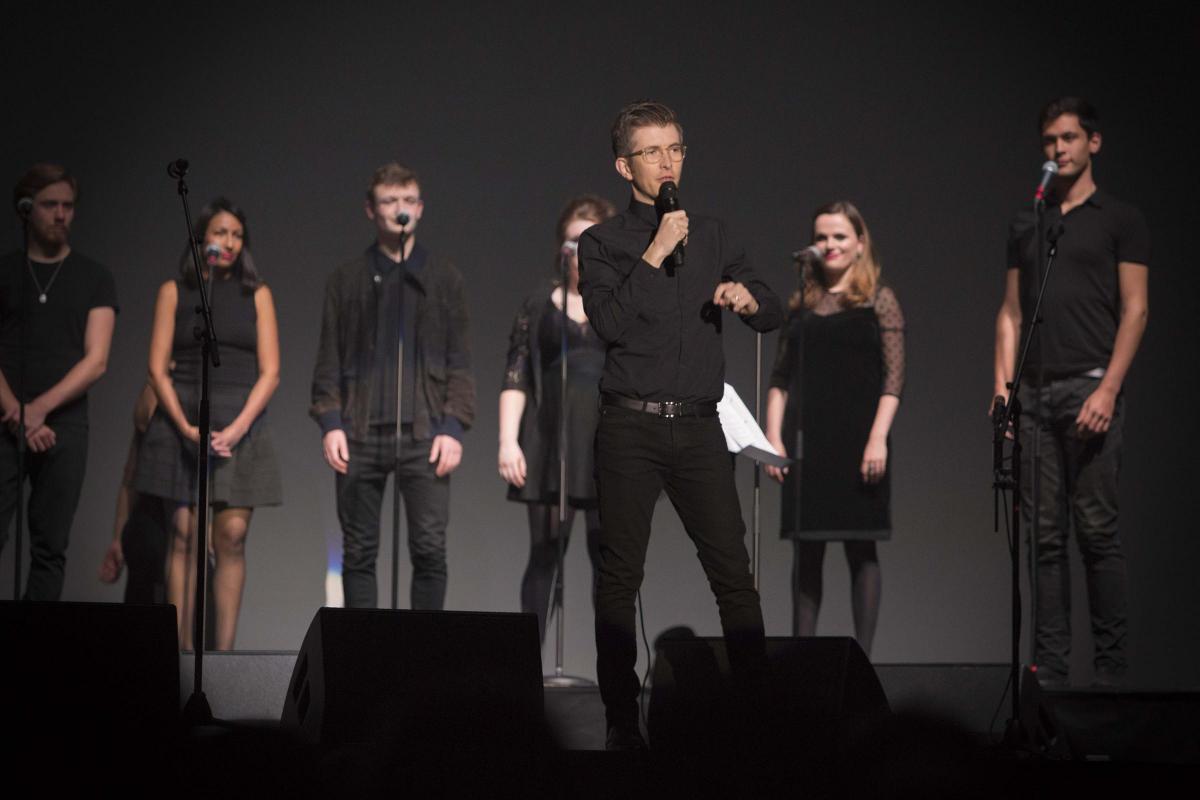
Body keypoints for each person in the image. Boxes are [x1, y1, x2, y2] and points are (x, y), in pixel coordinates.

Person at [578, 100, 782, 750]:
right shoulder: (603, 242)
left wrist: (751, 301)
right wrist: (655, 251)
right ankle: (618, 720)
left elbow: (771, 307)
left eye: (675, 149)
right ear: (623, 166)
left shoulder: (714, 235)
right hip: (630, 428)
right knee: (619, 575)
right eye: (651, 152)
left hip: (698, 429)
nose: (667, 162)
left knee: (732, 572)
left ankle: (757, 717)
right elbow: (607, 324)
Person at [993, 97, 1149, 687]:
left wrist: (1108, 389)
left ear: (1093, 143)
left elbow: (1136, 309)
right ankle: (1051, 676)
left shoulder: (1119, 219)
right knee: (1044, 540)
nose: (1057, 150)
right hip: (1032, 396)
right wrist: (1002, 388)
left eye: (1068, 139)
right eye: (1049, 142)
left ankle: (1112, 676)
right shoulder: (1029, 221)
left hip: (1090, 390)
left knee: (1098, 532)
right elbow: (1010, 313)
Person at [311, 163, 475, 610]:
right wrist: (330, 422)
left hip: (425, 437)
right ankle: (365, 660)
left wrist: (453, 427)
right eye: (388, 202)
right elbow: (329, 359)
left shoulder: (443, 279)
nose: (398, 211)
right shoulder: (346, 280)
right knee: (360, 553)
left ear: (420, 209)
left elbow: (460, 361)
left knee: (428, 550)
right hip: (360, 434)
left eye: (407, 202)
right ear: (371, 210)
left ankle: (422, 664)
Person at [134, 197, 282, 650]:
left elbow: (271, 371)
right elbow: (156, 367)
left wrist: (236, 430)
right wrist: (183, 426)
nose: (230, 242)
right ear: (202, 239)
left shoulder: (256, 293)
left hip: (240, 426)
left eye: (237, 235)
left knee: (231, 536)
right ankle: (179, 652)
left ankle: (224, 657)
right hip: (181, 422)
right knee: (183, 534)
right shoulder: (174, 292)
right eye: (221, 233)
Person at [764, 202, 905, 657]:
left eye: (840, 237)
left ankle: (864, 658)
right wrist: (773, 436)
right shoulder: (802, 304)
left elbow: (894, 377)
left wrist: (878, 437)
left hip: (861, 442)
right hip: (809, 443)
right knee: (807, 552)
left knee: (861, 548)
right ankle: (803, 660)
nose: (829, 245)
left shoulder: (878, 300)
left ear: (860, 243)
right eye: (822, 237)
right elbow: (780, 378)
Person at [498, 193, 615, 644]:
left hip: (606, 443)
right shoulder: (537, 305)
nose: (578, 250)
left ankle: (614, 676)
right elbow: (516, 373)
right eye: (572, 241)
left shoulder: (619, 307)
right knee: (545, 554)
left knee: (609, 564)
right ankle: (527, 672)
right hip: (552, 441)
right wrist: (509, 441)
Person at [0, 164, 117, 601]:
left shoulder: (94, 276)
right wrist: (17, 412)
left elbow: (97, 360)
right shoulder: (7, 271)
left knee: (50, 547)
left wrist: (39, 410)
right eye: (51, 205)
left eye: (68, 206)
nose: (61, 214)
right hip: (4, 418)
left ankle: (33, 650)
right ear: (26, 209)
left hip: (63, 427)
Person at [99, 378, 175, 604]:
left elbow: (130, 475)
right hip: (151, 526)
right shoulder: (156, 393)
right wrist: (118, 538)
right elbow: (132, 474)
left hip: (164, 525)